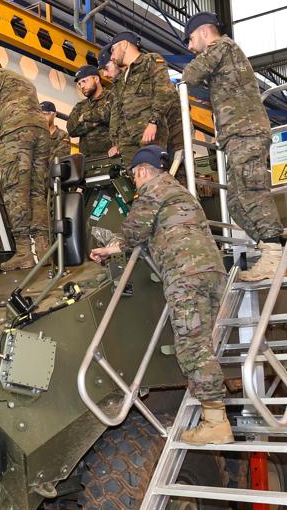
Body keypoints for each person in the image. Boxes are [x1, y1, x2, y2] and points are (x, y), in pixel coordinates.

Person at [89, 145, 231, 445]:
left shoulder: (152, 191)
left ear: (142, 171)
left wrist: (110, 247)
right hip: (213, 272)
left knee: (192, 346)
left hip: (185, 274)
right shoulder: (180, 192)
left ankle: (216, 421)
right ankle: (212, 407)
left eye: (134, 176)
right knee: (204, 341)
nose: (135, 181)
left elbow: (133, 231)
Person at [181, 12, 284, 281]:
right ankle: (268, 248)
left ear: (205, 32)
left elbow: (190, 74)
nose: (190, 47)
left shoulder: (222, 47)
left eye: (191, 40)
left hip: (246, 131)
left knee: (251, 191)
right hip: (235, 134)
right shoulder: (223, 56)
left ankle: (274, 254)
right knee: (236, 201)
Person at [0, 57, 51, 269]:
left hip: (17, 133)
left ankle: (24, 252)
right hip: (42, 134)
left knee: (15, 189)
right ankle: (44, 250)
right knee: (36, 191)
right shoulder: (22, 80)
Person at [101, 32, 183, 171]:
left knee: (153, 175)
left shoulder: (150, 60)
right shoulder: (121, 79)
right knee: (137, 182)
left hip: (149, 134)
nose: (112, 57)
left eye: (113, 50)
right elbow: (118, 112)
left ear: (125, 44)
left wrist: (153, 122)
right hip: (127, 142)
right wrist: (116, 142)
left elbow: (164, 91)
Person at [66, 65, 113, 157]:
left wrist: (84, 117)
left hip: (109, 156)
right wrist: (97, 122)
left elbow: (108, 114)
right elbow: (71, 130)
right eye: (79, 83)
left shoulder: (111, 96)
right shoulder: (80, 106)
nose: (82, 86)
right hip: (86, 160)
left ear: (96, 79)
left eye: (84, 81)